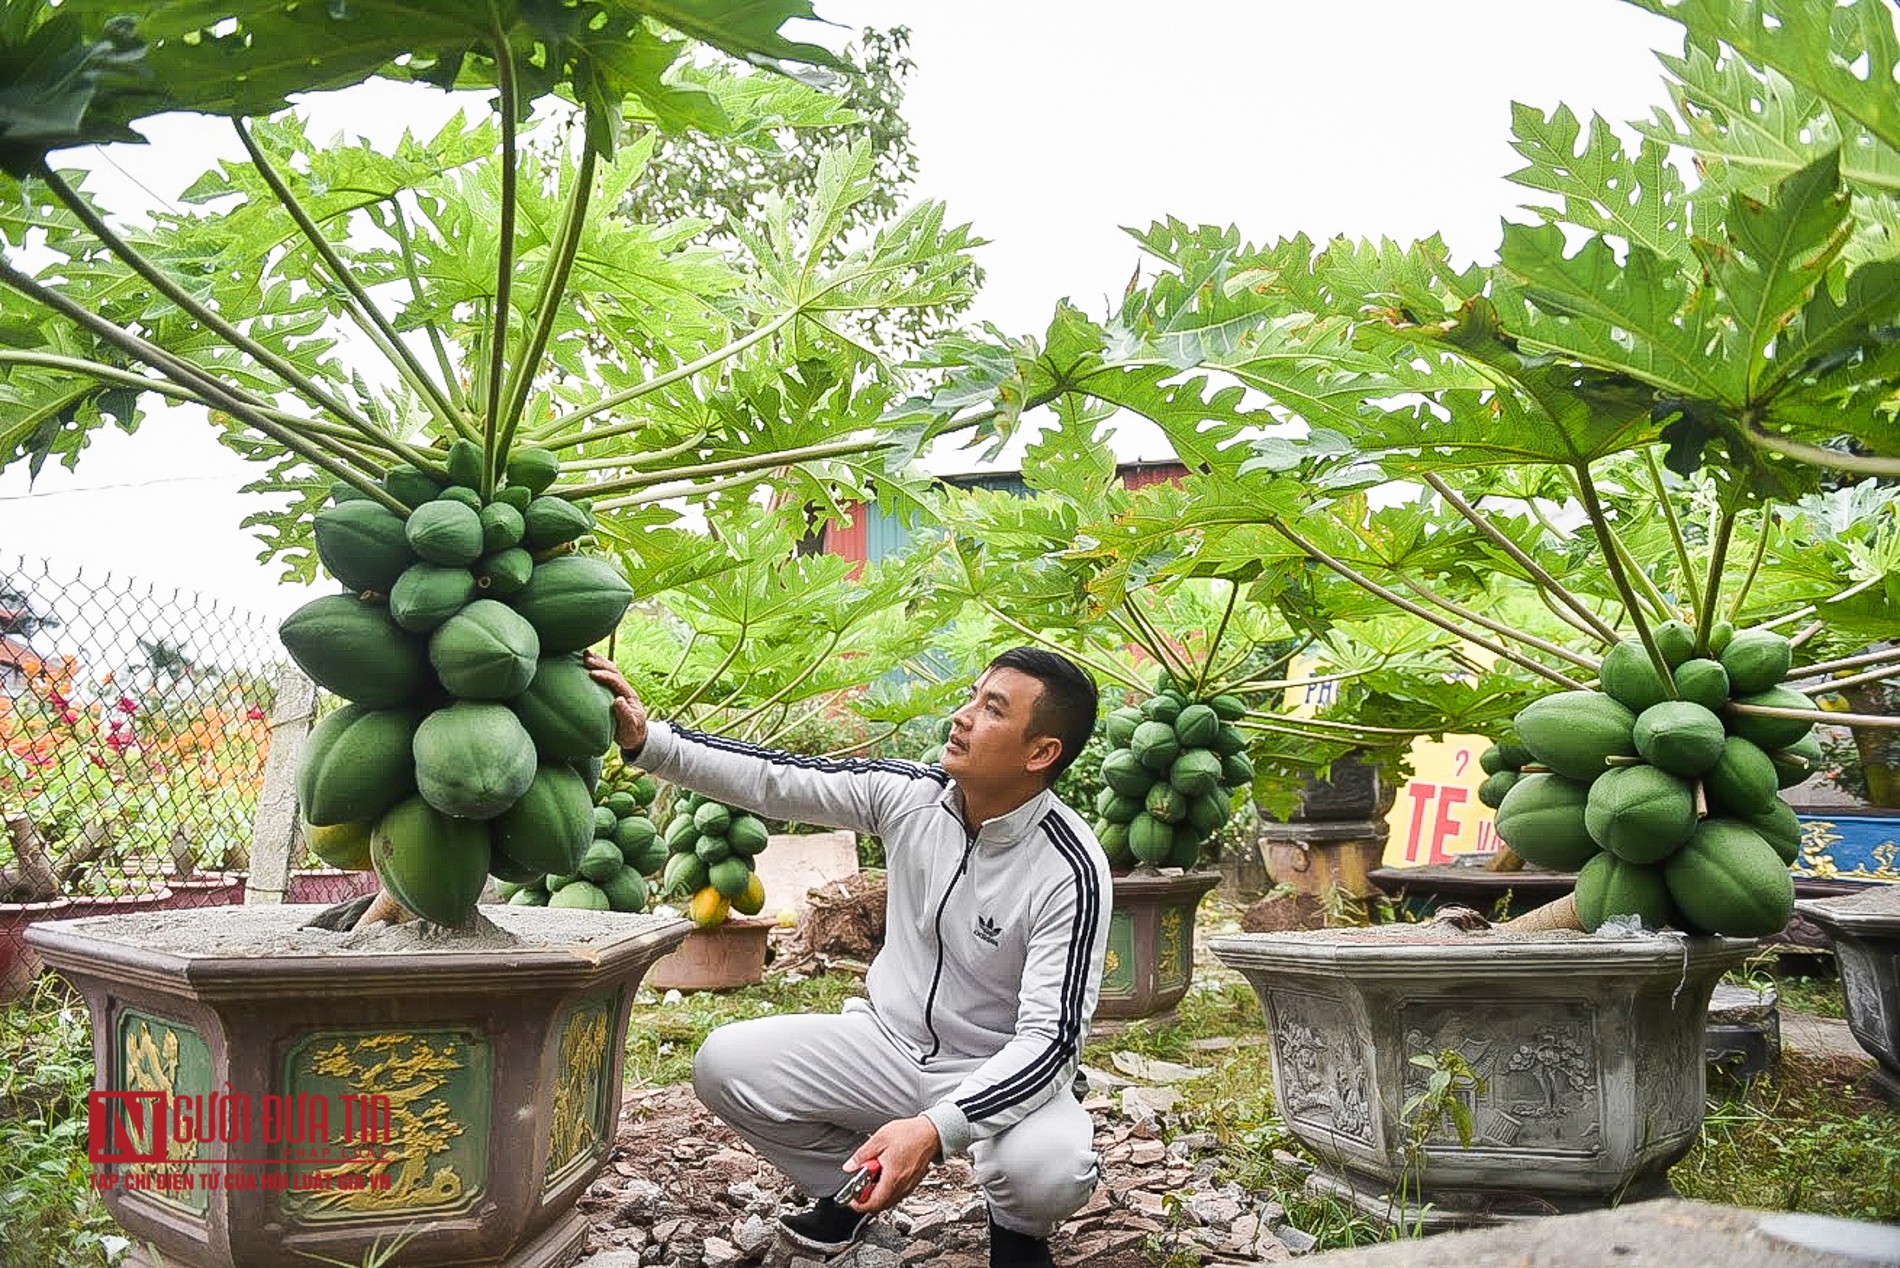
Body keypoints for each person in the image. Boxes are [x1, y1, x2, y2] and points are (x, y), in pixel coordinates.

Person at [587, 648, 1111, 1268]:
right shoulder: (910, 798)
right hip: (888, 1046)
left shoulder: (1070, 869)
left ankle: (1018, 1236)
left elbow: (1049, 1045)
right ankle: (850, 1193)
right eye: (972, 695)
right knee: (725, 1064)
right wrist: (651, 742)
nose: (963, 716)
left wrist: (935, 1128)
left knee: (1046, 1170)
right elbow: (776, 779)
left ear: (1041, 753)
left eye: (991, 708)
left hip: (998, 1067)